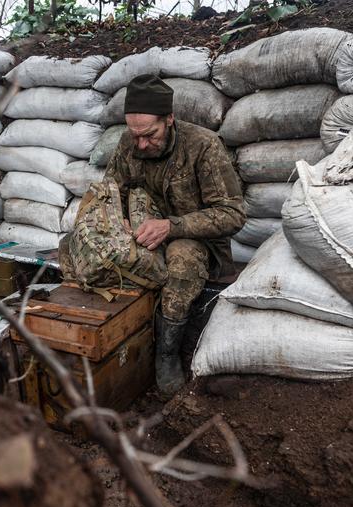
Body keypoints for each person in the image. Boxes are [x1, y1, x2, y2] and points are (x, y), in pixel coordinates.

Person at [103, 74, 246, 395]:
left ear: (169, 119)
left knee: (182, 257)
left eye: (149, 135)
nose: (141, 144)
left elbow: (232, 214)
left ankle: (166, 355)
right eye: (135, 135)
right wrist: (117, 219)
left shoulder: (203, 146)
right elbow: (111, 190)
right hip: (142, 237)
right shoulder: (129, 143)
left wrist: (171, 226)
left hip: (198, 243)